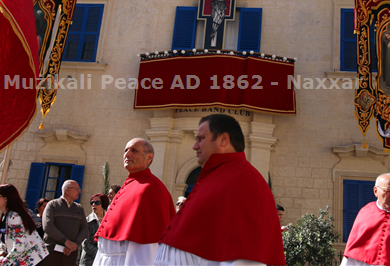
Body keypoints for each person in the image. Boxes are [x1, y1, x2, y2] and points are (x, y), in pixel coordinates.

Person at [155, 114, 285, 266]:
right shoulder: (217, 176)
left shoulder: (244, 180)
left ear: (224, 139)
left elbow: (245, 255)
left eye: (201, 139)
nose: (194, 146)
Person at [94, 138, 175, 265]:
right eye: (126, 150)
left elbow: (147, 244)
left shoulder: (151, 188)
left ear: (149, 157)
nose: (127, 154)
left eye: (134, 150)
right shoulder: (130, 184)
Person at [0, 184, 49, 266]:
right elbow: (5, 239)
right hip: (23, 258)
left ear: (6, 198)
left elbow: (19, 247)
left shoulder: (14, 218)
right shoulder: (7, 216)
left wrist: (3, 263)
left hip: (33, 258)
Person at [42, 180, 89, 266]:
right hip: (52, 252)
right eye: (77, 189)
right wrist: (66, 242)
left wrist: (74, 245)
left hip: (70, 254)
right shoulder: (52, 205)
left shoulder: (79, 208)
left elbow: (84, 228)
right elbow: (48, 226)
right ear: (67, 190)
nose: (79, 191)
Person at [79, 193, 109, 266]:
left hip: (106, 260)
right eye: (92, 203)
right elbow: (85, 243)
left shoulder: (110, 220)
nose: (93, 205)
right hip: (89, 260)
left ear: (104, 204)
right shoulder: (87, 221)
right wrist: (99, 254)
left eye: (97, 203)